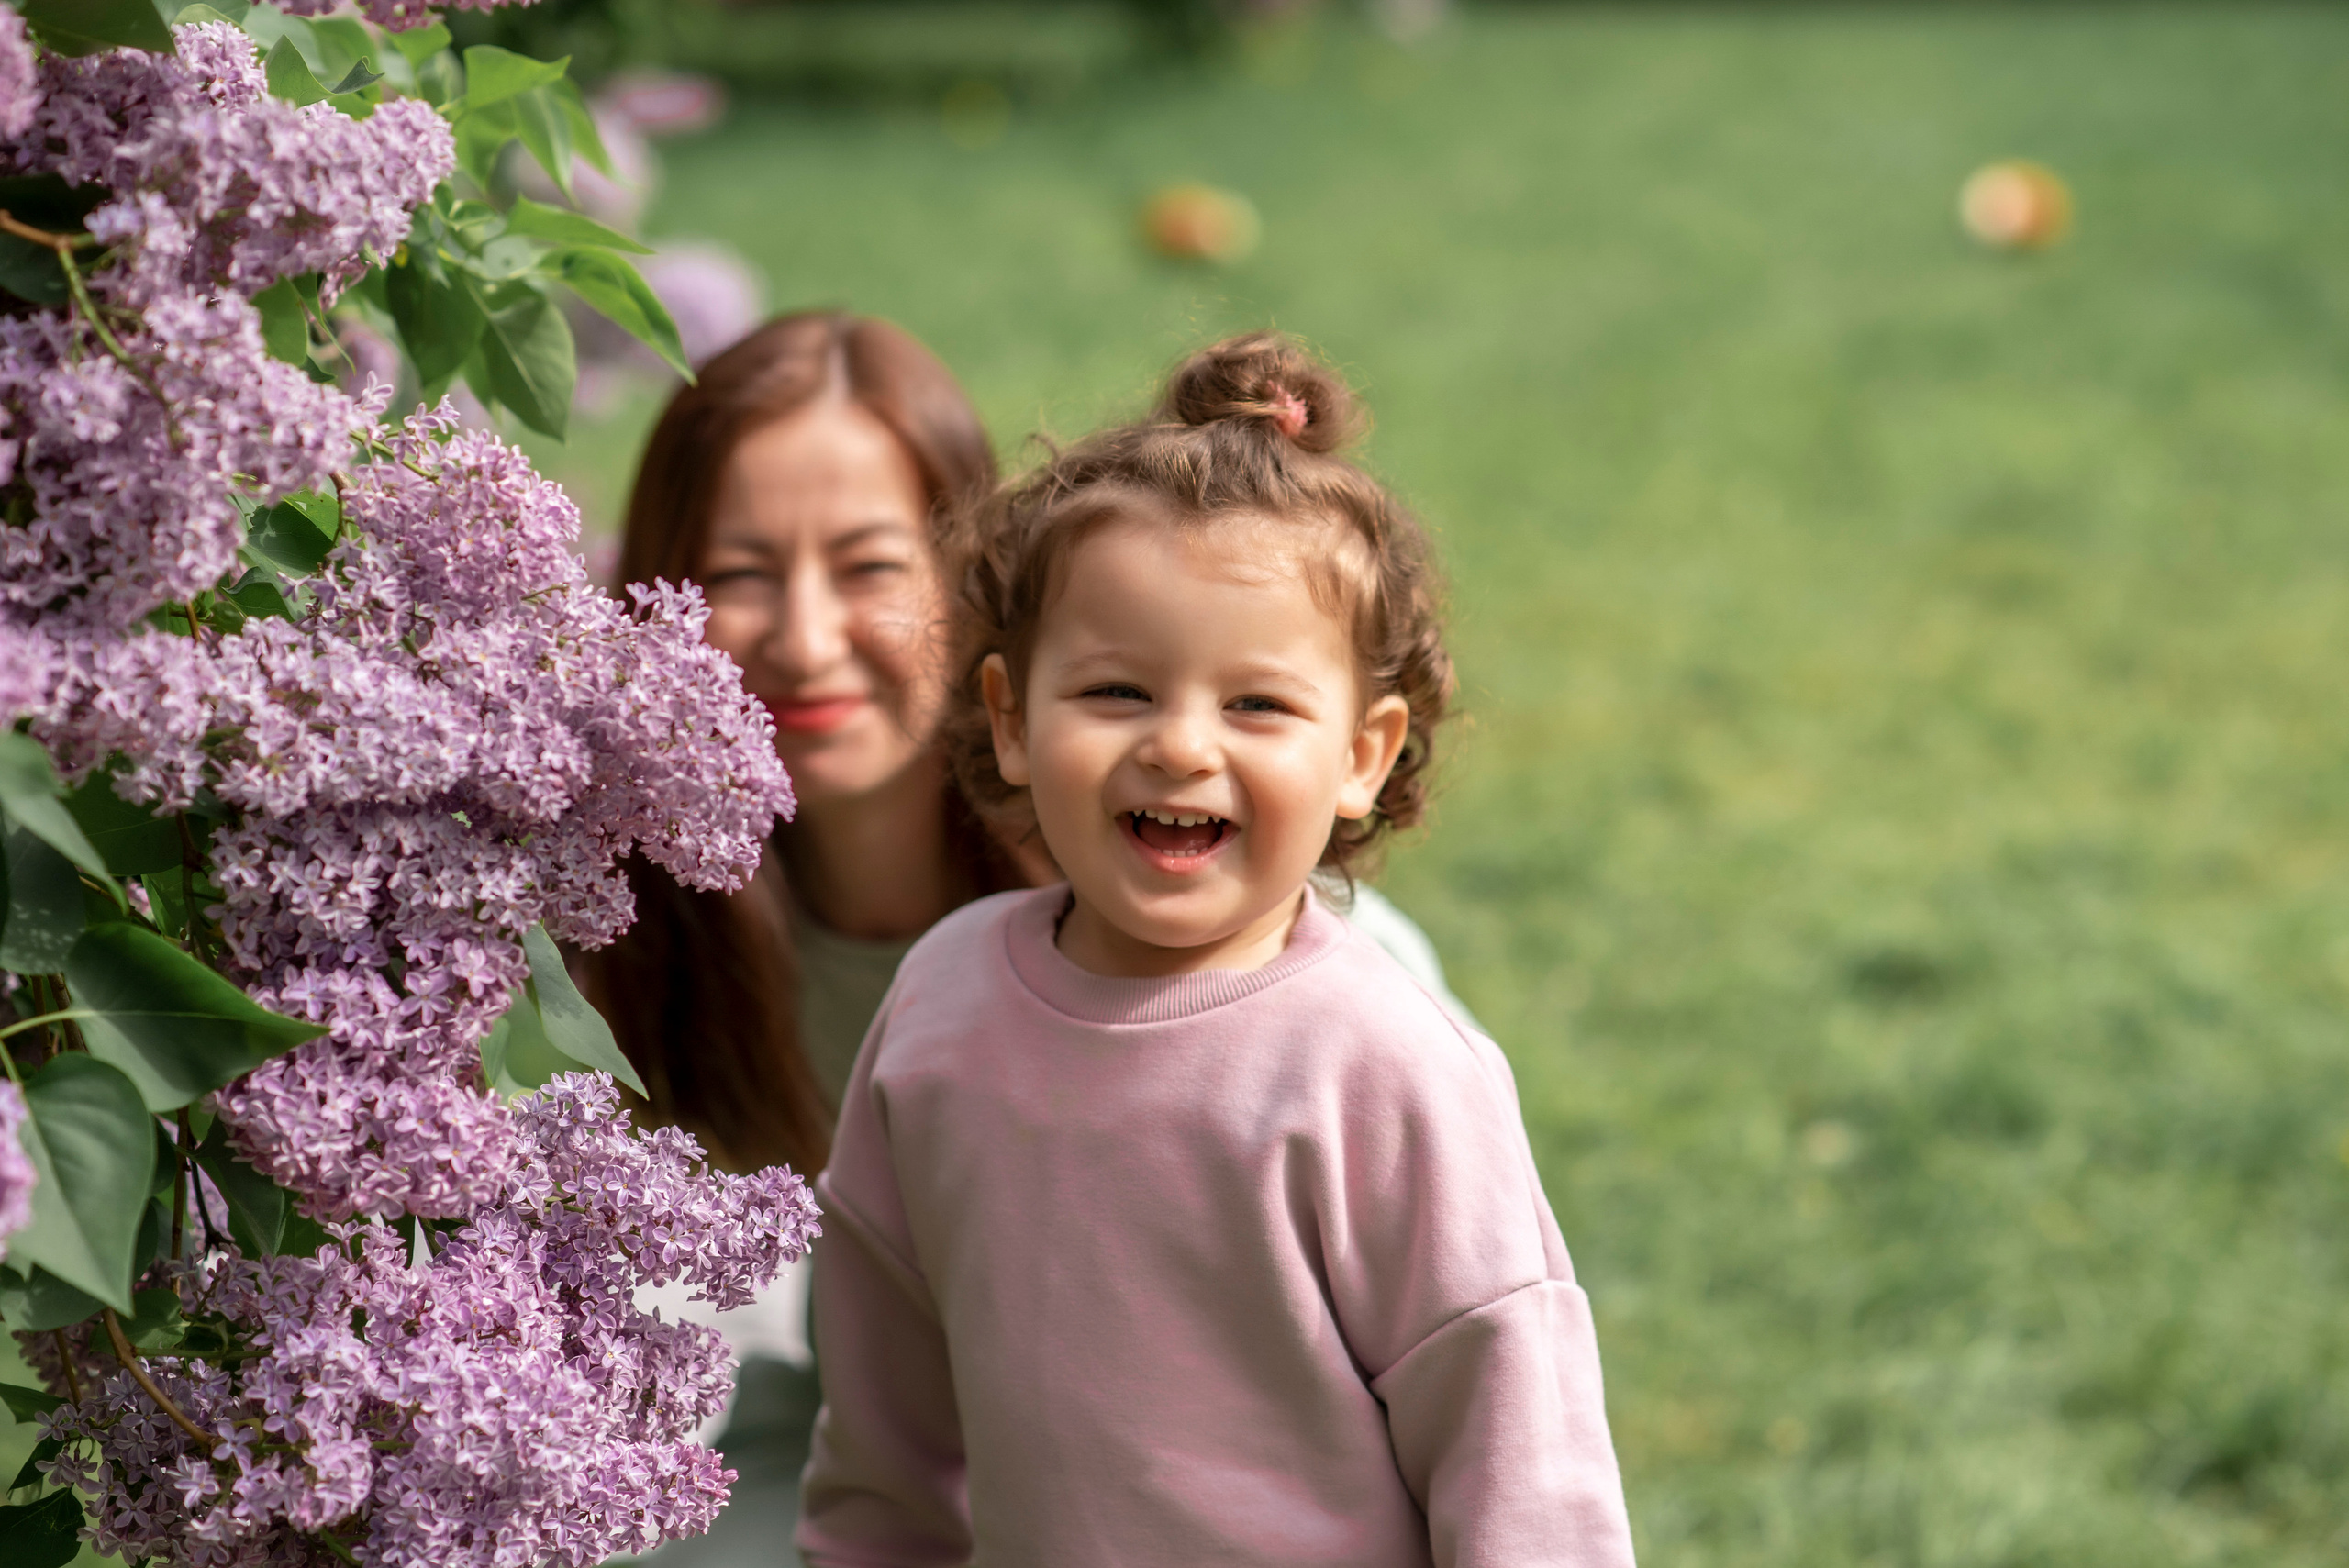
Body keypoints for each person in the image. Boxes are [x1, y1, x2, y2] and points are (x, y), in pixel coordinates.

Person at [797, 334, 1634, 1565]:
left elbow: (1518, 1450)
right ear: (1010, 717)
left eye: (1257, 704)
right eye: (1119, 692)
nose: (1182, 746)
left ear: (1364, 751)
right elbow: (883, 1416)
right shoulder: (943, 1002)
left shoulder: (1384, 1065)